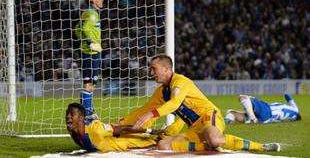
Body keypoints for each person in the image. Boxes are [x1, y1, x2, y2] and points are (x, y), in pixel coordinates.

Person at [122, 54, 280, 152]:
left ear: (166, 69)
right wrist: (120, 125)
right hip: (195, 127)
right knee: (163, 145)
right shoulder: (161, 92)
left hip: (208, 116)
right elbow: (144, 109)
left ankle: (260, 146)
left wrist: (153, 113)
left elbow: (175, 103)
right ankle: (209, 146)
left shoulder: (180, 81)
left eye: (154, 69)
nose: (151, 73)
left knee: (215, 139)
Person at [66, 103, 165, 152]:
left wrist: (151, 131)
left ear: (81, 118)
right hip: (109, 140)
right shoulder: (73, 128)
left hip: (126, 146)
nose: (68, 116)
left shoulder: (96, 130)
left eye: (71, 114)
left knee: (159, 144)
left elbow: (123, 128)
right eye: (67, 113)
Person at [74, 0, 103, 117]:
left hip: (91, 50)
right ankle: (87, 111)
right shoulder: (92, 14)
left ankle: (87, 109)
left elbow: (77, 29)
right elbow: (84, 28)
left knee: (91, 82)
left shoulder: (88, 12)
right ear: (94, 0)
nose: (102, 0)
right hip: (91, 51)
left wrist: (82, 41)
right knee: (88, 82)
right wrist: (90, 42)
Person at [224, 94, 301, 124]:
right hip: (265, 120)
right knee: (231, 112)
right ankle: (227, 121)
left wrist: (286, 93)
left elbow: (287, 96)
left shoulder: (295, 109)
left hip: (268, 110)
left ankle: (252, 118)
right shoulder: (292, 118)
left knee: (243, 98)